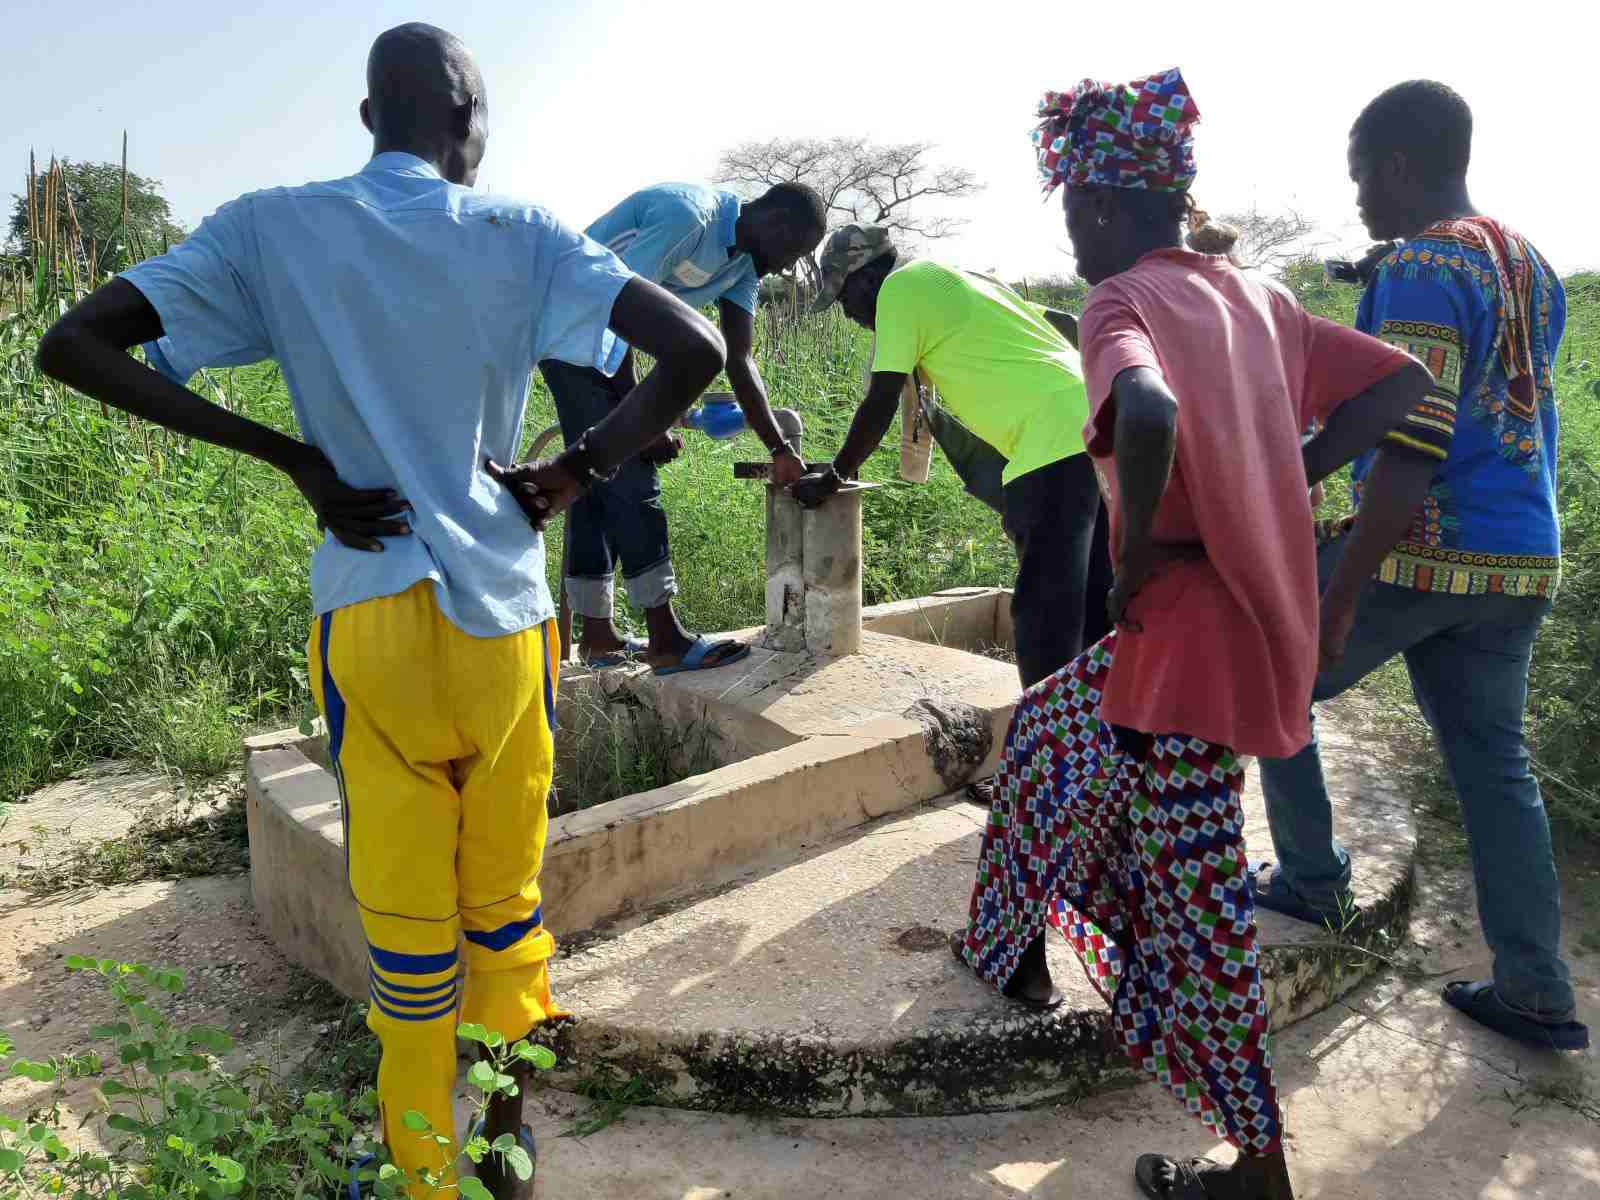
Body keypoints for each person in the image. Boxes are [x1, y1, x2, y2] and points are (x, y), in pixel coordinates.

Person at [34, 23, 725, 1198]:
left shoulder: (269, 227)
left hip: (371, 616)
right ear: (470, 121)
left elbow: (73, 344)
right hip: (505, 623)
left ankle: (422, 1172)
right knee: (503, 909)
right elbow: (694, 347)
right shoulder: (521, 232)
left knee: (407, 935)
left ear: (368, 118)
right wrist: (576, 469)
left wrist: (292, 456)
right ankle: (506, 1155)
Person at [950, 69, 1433, 1200]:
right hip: (1230, 634)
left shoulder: (1120, 303)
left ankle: (1255, 1163)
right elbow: (1400, 385)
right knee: (1047, 743)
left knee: (1199, 909)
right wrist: (1278, 474)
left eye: (1072, 211)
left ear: (1101, 205)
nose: (1070, 234)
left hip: (1185, 651)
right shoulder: (1259, 297)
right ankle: (1014, 951)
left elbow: (1150, 408)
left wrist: (1132, 562)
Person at [1254, 80, 1588, 1052]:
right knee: (1496, 770)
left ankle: (1312, 880)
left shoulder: (1422, 264)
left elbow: (1412, 438)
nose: (1359, 196)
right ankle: (1536, 989)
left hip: (1422, 549)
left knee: (1274, 677)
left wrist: (1341, 592)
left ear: (1398, 166)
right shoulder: (1531, 263)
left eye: (1361, 176)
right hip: (1520, 558)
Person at [796, 224, 1113, 689]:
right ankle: (1103, 720)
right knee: (1094, 595)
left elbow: (880, 400)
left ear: (867, 276)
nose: (847, 313)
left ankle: (1047, 731)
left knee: (1044, 610)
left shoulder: (899, 290)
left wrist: (834, 476)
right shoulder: (954, 275)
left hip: (1053, 440)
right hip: (1100, 423)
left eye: (844, 297)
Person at [543, 180, 826, 672]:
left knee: (594, 479)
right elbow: (615, 306)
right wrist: (645, 420)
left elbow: (739, 358)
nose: (786, 266)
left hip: (602, 338)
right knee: (631, 473)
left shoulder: (743, 266)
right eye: (793, 252)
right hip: (572, 326)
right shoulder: (688, 218)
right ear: (777, 223)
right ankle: (665, 638)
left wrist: (780, 448)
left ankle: (598, 638)